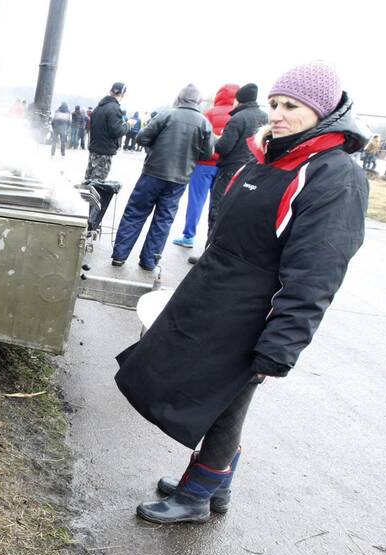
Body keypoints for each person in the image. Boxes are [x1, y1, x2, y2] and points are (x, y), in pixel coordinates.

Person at [115, 61, 369, 524]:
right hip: (216, 301)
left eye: (291, 106)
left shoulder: (335, 176)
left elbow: (316, 272)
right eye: (274, 104)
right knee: (203, 393)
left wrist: (279, 346)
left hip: (254, 314)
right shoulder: (273, 158)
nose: (277, 114)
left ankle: (197, 495)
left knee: (227, 403)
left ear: (324, 111)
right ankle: (213, 483)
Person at [110, 84, 214, 270]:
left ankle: (119, 255)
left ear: (180, 98)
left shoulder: (167, 114)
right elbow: (207, 154)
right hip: (179, 178)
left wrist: (154, 150)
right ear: (198, 101)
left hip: (153, 172)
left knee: (136, 212)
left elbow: (142, 137)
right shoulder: (204, 123)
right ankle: (149, 261)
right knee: (163, 220)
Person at [186, 83, 270, 265]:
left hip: (229, 170)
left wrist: (217, 138)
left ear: (238, 100)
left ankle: (209, 255)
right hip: (252, 171)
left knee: (216, 210)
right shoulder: (264, 117)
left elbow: (224, 147)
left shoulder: (238, 118)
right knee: (237, 214)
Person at [171, 84, 237, 249]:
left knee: (196, 201)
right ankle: (212, 239)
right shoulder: (236, 116)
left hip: (204, 164)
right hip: (226, 166)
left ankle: (188, 236)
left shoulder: (210, 114)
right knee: (219, 203)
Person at [84, 83, 128, 182]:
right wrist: (128, 125)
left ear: (111, 91)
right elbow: (117, 131)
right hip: (104, 153)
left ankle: (81, 197)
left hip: (94, 150)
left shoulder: (99, 107)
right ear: (123, 94)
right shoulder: (114, 108)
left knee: (88, 182)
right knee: (96, 185)